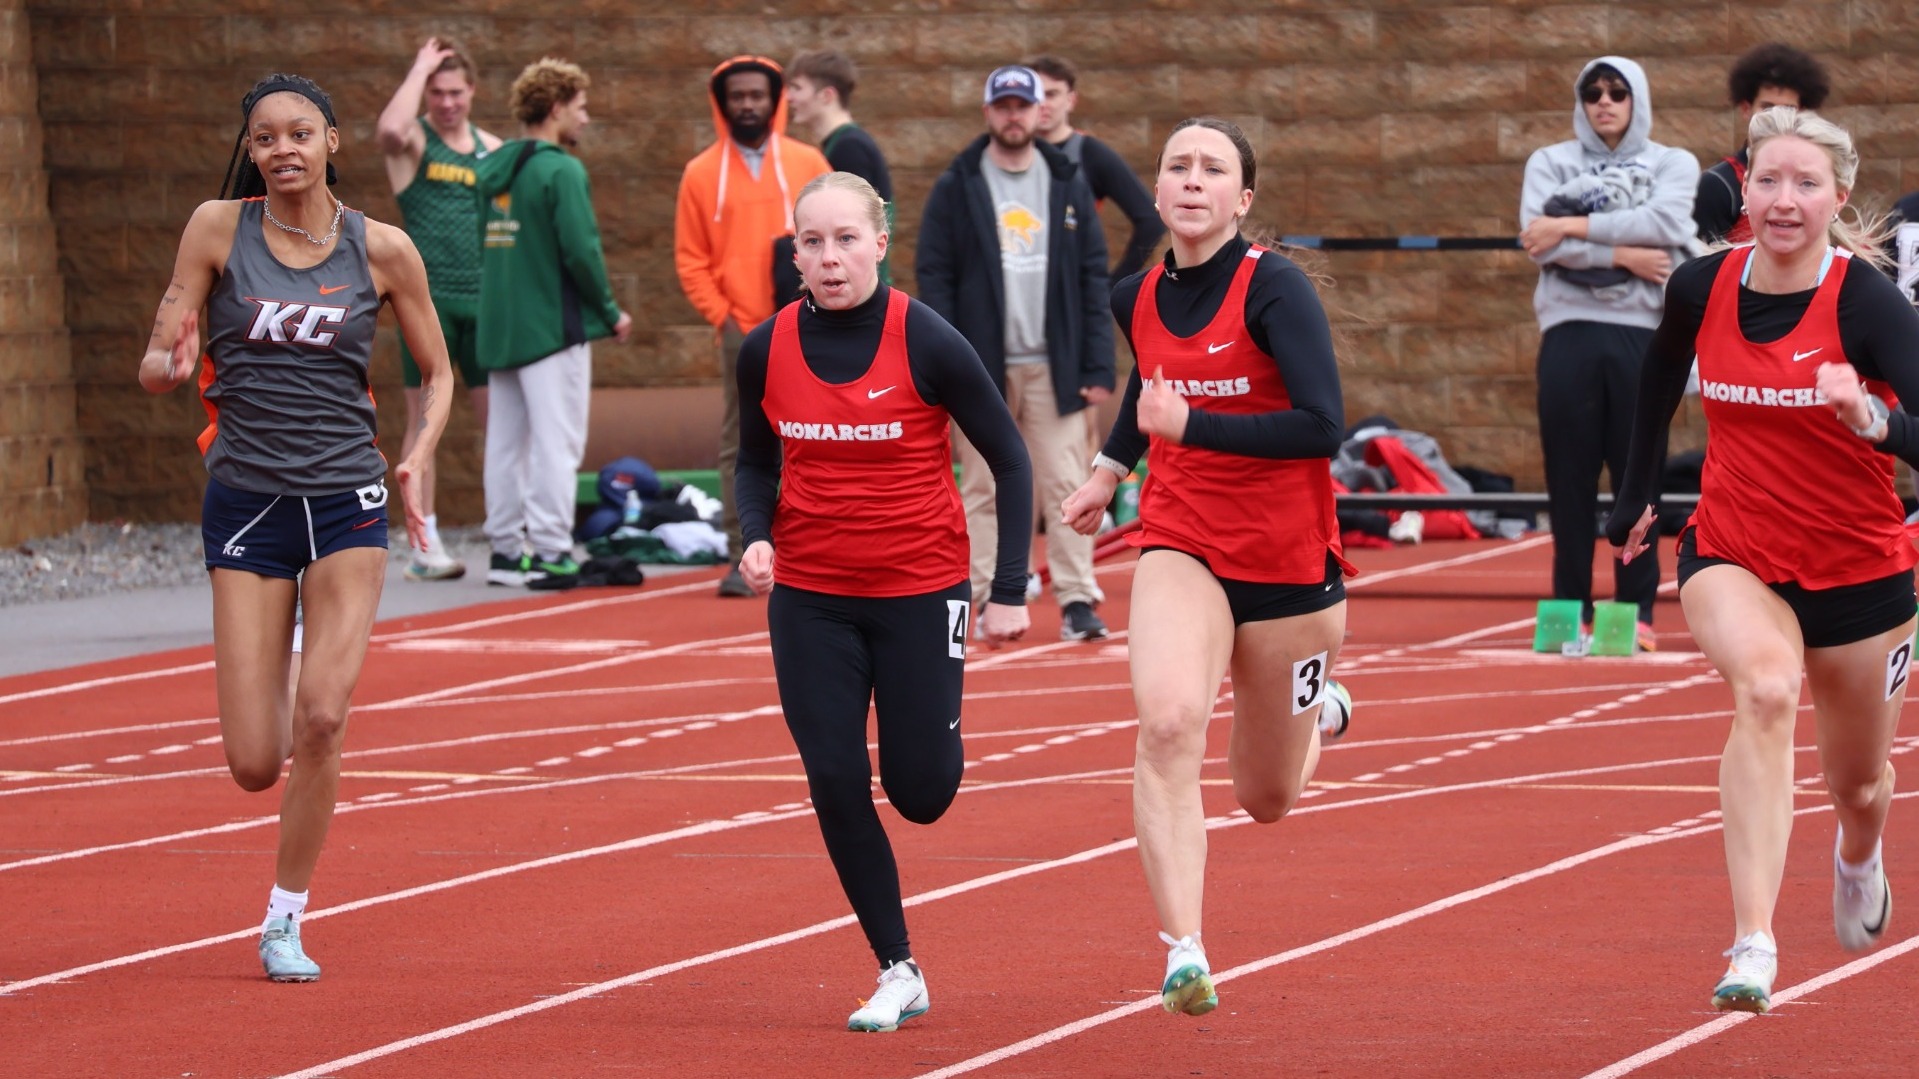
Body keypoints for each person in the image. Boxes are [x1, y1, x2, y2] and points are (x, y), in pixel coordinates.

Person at [136, 74, 453, 981]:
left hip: (347, 501)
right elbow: (158, 363)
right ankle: (275, 647)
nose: (283, 149)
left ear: (332, 142)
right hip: (246, 502)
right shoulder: (215, 228)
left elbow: (438, 374)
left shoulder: (382, 249)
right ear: (251, 150)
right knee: (252, 760)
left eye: (300, 134)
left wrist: (418, 451)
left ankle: (284, 917)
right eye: (266, 137)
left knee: (321, 717)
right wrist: (171, 360)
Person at [1607, 107, 1913, 1015]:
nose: (1784, 201)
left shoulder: (1866, 304)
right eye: (1767, 181)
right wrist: (1634, 495)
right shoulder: (1700, 286)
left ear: (1837, 198)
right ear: (1742, 187)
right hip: (1733, 547)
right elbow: (1659, 376)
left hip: (1859, 568)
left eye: (1805, 184)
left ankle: (1858, 851)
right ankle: (1753, 939)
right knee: (1768, 688)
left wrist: (1875, 421)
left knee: (1856, 780)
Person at [1060, 117, 1355, 1017]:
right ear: (1156, 192)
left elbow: (1321, 425)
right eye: (1177, 166)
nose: (1192, 179)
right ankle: (1182, 947)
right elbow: (1150, 394)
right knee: (1169, 720)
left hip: (1289, 563)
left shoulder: (1276, 292)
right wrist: (1112, 468)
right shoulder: (1134, 296)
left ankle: (1325, 713)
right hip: (1181, 535)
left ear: (1243, 199)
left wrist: (1194, 428)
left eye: (1212, 168)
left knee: (1265, 797)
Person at [734, 172, 1034, 1031]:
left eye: (845, 240)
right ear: (795, 253)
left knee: (922, 792)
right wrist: (755, 534)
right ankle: (897, 964)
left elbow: (1009, 460)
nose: (830, 258)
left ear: (878, 242)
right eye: (813, 243)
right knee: (832, 773)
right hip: (811, 596)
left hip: (918, 587)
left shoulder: (928, 340)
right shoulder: (766, 347)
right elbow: (755, 461)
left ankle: (934, 730)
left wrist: (1005, 588)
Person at [916, 64, 1116, 642]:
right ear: (988, 113)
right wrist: (946, 362)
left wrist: (1098, 364)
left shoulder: (1065, 179)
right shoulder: (958, 184)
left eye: (1021, 105)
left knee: (1067, 485)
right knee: (981, 486)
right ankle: (985, 597)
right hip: (981, 369)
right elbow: (936, 275)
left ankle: (1077, 599)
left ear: (1039, 112)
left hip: (1056, 366)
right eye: (1002, 105)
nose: (1012, 115)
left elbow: (1091, 275)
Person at [1519, 56, 1699, 651]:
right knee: (1568, 480)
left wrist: (1570, 228)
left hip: (1644, 336)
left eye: (1618, 92)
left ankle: (1635, 612)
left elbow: (1668, 219)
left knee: (1637, 476)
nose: (1605, 101)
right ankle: (1571, 609)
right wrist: (1624, 255)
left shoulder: (1672, 162)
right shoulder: (1550, 161)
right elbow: (1535, 239)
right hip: (1569, 329)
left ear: (1636, 99)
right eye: (1593, 91)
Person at [674, 56, 833, 598]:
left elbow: (835, 230)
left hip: (810, 321)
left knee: (821, 431)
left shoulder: (808, 158)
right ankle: (745, 551)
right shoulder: (700, 173)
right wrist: (725, 318)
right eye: (737, 96)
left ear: (775, 99)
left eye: (757, 95)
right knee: (741, 441)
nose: (747, 104)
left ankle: (814, 546)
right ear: (723, 103)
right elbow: (690, 259)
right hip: (743, 330)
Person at [475, 58, 631, 588]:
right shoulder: (562, 170)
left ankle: (504, 552)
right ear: (558, 107)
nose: (585, 119)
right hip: (551, 330)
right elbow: (582, 252)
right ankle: (550, 549)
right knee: (557, 445)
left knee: (505, 442)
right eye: (581, 108)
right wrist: (610, 312)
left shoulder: (491, 170)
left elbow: (487, 247)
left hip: (500, 328)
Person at [373, 37, 503, 582]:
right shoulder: (416, 144)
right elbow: (388, 131)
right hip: (427, 303)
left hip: (485, 299)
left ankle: (510, 532)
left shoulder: (491, 148)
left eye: (455, 92)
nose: (446, 102)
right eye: (436, 92)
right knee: (426, 420)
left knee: (500, 422)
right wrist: (420, 64)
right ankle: (423, 541)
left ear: (471, 92)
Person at [1025, 54, 1165, 280]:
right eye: (1034, 95)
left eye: (1051, 94)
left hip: (1070, 291)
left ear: (1070, 100)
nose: (1042, 103)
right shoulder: (1002, 153)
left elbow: (1151, 220)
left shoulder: (1089, 153)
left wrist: (1111, 286)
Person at [1694, 43, 1831, 245]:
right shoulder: (1717, 185)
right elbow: (1699, 267)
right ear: (1746, 109)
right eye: (1767, 108)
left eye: (1787, 109)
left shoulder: (1818, 179)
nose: (1775, 118)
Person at [784, 49, 895, 282]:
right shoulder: (845, 143)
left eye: (797, 88)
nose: (788, 98)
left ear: (826, 95)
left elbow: (856, 222)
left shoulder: (849, 148)